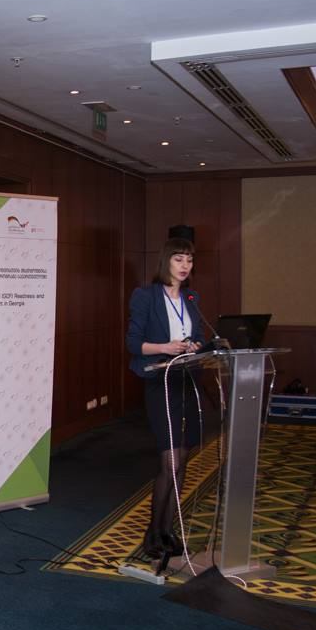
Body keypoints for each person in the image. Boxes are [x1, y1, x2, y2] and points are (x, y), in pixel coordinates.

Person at [125, 238, 205, 559]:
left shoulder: (191, 298)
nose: (185, 266)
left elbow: (200, 336)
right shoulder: (145, 296)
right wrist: (165, 347)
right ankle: (152, 532)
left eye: (189, 260)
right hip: (161, 381)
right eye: (178, 259)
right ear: (166, 261)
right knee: (170, 460)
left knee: (182, 459)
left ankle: (169, 530)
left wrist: (196, 346)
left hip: (187, 380)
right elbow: (133, 343)